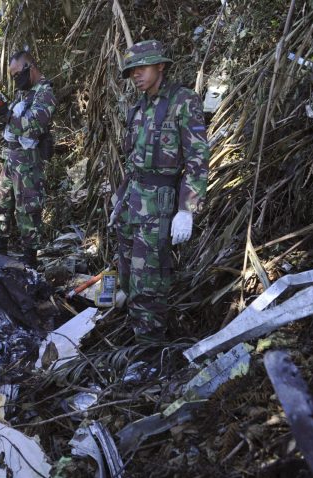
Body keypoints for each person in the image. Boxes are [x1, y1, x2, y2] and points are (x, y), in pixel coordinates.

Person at [109, 40, 209, 343]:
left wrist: (186, 209)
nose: (136, 75)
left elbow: (197, 159)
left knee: (148, 280)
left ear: (161, 66)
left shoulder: (183, 101)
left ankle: (149, 345)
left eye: (142, 67)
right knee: (127, 270)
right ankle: (135, 330)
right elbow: (133, 160)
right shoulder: (139, 107)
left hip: (158, 207)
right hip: (132, 201)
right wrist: (119, 199)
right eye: (131, 71)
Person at [0, 50, 56, 267]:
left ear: (30, 67)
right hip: (12, 155)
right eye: (13, 76)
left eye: (18, 74)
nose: (16, 80)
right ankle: (0, 242)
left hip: (28, 159)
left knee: (28, 207)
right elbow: (10, 122)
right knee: (1, 201)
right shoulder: (24, 93)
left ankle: (29, 256)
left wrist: (8, 116)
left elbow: (34, 125)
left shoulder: (44, 93)